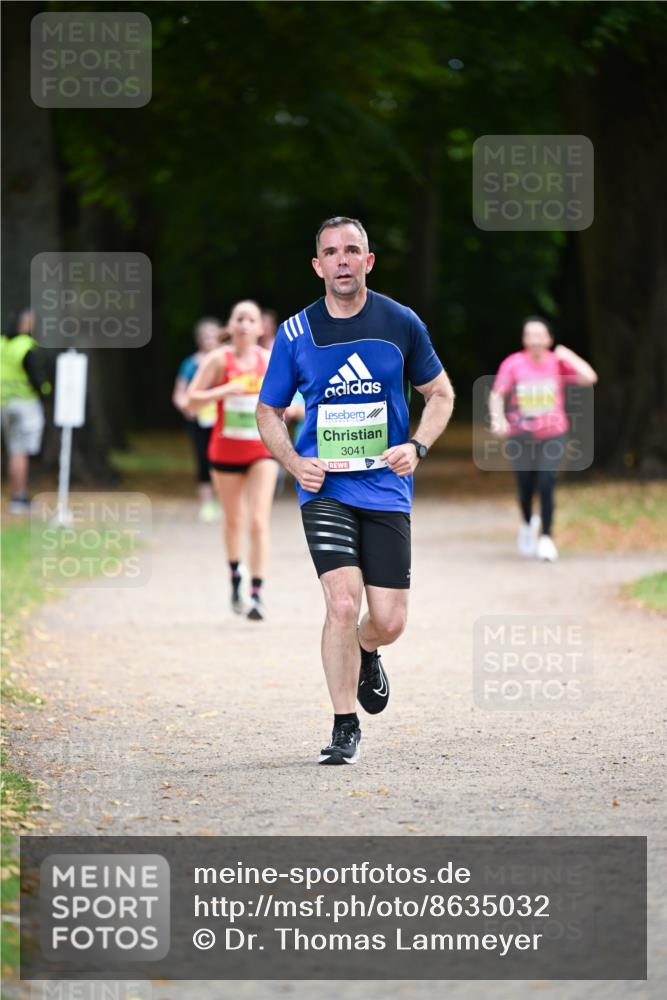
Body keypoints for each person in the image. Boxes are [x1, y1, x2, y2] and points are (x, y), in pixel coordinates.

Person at [256, 217, 454, 765]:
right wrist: (295, 463)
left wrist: (416, 446)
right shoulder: (296, 333)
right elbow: (267, 411)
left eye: (352, 251)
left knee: (387, 619)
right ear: (317, 266)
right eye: (331, 253)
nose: (342, 260)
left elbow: (440, 394)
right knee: (342, 603)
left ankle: (368, 649)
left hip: (386, 488)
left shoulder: (401, 322)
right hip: (326, 489)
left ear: (368, 261)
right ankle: (344, 724)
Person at [187, 300, 279, 620]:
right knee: (234, 520)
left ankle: (257, 593)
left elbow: (292, 398)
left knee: (257, 519)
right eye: (238, 318)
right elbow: (191, 399)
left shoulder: (269, 361)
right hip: (225, 451)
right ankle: (235, 577)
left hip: (262, 451)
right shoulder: (217, 359)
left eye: (250, 319)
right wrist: (224, 390)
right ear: (230, 325)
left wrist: (292, 408)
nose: (243, 324)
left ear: (260, 328)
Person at [488, 316, 598, 562]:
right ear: (524, 340)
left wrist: (567, 354)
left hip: (553, 433)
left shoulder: (558, 363)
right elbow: (497, 394)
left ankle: (546, 537)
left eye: (541, 335)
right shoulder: (514, 364)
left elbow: (590, 377)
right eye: (530, 335)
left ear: (549, 339)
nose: (536, 340)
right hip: (521, 434)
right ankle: (528, 524)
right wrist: (499, 420)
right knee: (525, 486)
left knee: (547, 481)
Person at [172, 317, 223, 522]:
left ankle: (225, 500)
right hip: (199, 420)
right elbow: (179, 393)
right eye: (205, 336)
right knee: (203, 458)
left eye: (212, 335)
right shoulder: (190, 364)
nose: (209, 339)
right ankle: (207, 504)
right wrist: (187, 407)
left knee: (223, 458)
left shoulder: (226, 359)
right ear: (198, 339)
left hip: (224, 419)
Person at [1, 309, 51, 514]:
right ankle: (19, 497)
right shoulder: (25, 347)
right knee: (21, 451)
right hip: (25, 403)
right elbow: (37, 379)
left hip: (4, 403)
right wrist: (48, 392)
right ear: (25, 325)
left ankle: (17, 495)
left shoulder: (2, 344)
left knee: (14, 450)